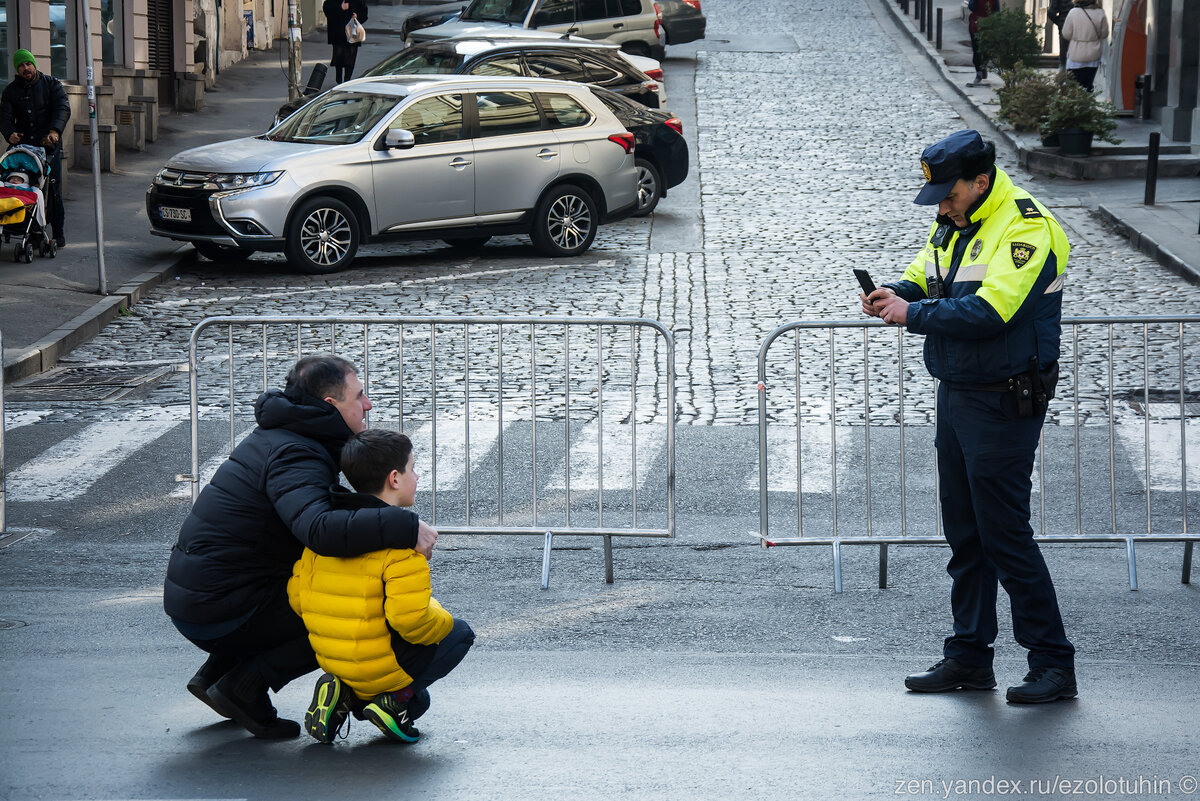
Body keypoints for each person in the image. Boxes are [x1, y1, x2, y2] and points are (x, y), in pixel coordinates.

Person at [860, 130, 1077, 704]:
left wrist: (913, 313)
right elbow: (927, 272)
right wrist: (894, 292)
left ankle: (1053, 662)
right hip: (958, 392)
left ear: (980, 182)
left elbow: (992, 310)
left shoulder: (1027, 226)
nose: (939, 205)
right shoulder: (958, 218)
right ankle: (969, 656)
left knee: (1004, 535)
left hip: (1005, 398)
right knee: (965, 535)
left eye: (946, 194)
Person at [164, 355, 439, 739]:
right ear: (330, 405)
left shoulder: (288, 435)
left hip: (205, 597)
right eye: (359, 396)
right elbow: (320, 527)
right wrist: (404, 525)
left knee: (309, 585)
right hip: (220, 607)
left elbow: (314, 509)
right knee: (341, 611)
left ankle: (216, 675)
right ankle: (244, 688)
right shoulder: (298, 452)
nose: (368, 405)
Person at [289, 429, 475, 744]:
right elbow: (411, 621)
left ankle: (343, 693)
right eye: (412, 469)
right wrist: (439, 613)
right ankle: (392, 700)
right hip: (379, 663)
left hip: (333, 657)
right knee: (458, 635)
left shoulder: (328, 531)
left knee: (404, 680)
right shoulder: (403, 547)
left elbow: (297, 597)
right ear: (394, 479)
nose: (416, 476)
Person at [0, 50, 69, 247]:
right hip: (24, 150)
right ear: (17, 69)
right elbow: (4, 117)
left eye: (28, 64)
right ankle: (34, 232)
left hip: (48, 147)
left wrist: (55, 131)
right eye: (21, 65)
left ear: (34, 64)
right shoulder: (11, 91)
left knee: (53, 191)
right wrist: (9, 133)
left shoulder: (51, 84)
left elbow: (63, 107)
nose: (25, 68)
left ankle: (58, 232)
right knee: (27, 190)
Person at [1062, 0, 1108, 93]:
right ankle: (1088, 103)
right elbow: (1104, 34)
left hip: (1076, 54)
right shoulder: (1100, 13)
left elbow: (1066, 34)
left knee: (1075, 85)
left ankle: (1077, 105)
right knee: (1088, 83)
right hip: (1093, 54)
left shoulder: (1073, 13)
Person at [323, 0, 369, 84]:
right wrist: (340, 8)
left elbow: (364, 12)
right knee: (339, 54)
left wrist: (357, 16)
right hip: (338, 31)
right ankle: (339, 79)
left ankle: (347, 79)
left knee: (351, 55)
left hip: (353, 31)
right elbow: (327, 8)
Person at [966, 0, 996, 86]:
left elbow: (996, 10)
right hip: (976, 24)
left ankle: (983, 66)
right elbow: (971, 7)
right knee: (976, 48)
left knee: (986, 49)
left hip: (988, 25)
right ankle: (978, 73)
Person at [1048, 0, 1073, 70]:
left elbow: (1051, 13)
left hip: (1064, 24)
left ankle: (1062, 76)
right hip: (1080, 25)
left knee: (1064, 54)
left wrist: (1059, 22)